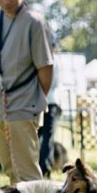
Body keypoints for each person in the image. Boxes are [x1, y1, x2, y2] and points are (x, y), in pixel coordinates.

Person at [0, 0, 53, 185]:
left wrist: (34, 98)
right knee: (9, 167)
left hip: (24, 103)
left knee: (27, 169)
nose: (6, 1)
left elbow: (45, 68)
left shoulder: (34, 21)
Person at [39, 34, 62, 178]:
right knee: (47, 138)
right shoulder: (52, 61)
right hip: (50, 102)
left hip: (43, 102)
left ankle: (43, 168)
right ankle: (45, 168)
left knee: (41, 138)